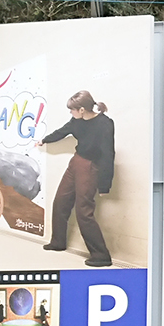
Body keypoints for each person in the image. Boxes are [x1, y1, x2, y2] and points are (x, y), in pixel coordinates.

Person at [36, 90, 115, 267]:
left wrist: (104, 185)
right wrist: (45, 140)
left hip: (91, 166)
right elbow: (63, 131)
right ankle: (58, 242)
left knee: (83, 211)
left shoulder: (105, 123)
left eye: (72, 110)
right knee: (60, 201)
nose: (70, 113)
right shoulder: (76, 121)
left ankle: (101, 255)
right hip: (76, 162)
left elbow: (108, 154)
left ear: (81, 109)